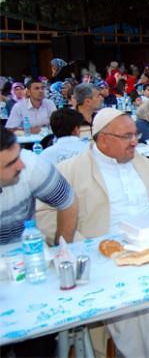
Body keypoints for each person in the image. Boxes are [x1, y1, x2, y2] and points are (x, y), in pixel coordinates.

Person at [36, 108, 149, 358]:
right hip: (105, 257)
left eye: (135, 134)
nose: (135, 141)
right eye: (126, 136)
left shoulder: (141, 161)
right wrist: (80, 243)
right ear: (102, 139)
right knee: (147, 302)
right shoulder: (70, 170)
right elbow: (44, 215)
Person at [0, 126, 77, 357]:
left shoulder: (31, 165)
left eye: (18, 156)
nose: (20, 165)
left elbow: (68, 202)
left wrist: (61, 251)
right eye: (10, 163)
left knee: (39, 342)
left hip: (27, 270)